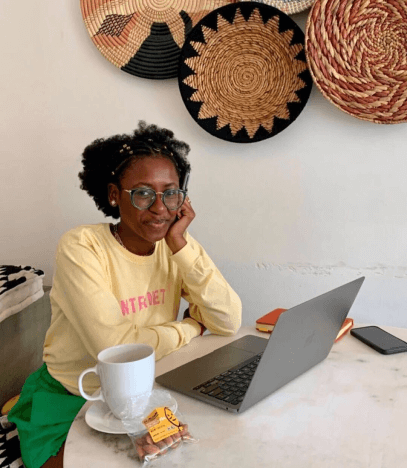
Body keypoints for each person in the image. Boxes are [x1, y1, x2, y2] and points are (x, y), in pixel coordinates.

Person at [8, 121, 242, 468]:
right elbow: (114, 350)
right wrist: (190, 328)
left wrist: (179, 244)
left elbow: (228, 320)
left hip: (146, 397)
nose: (160, 208)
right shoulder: (82, 246)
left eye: (171, 192)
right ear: (115, 194)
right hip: (71, 397)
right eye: (144, 192)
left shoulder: (176, 247)